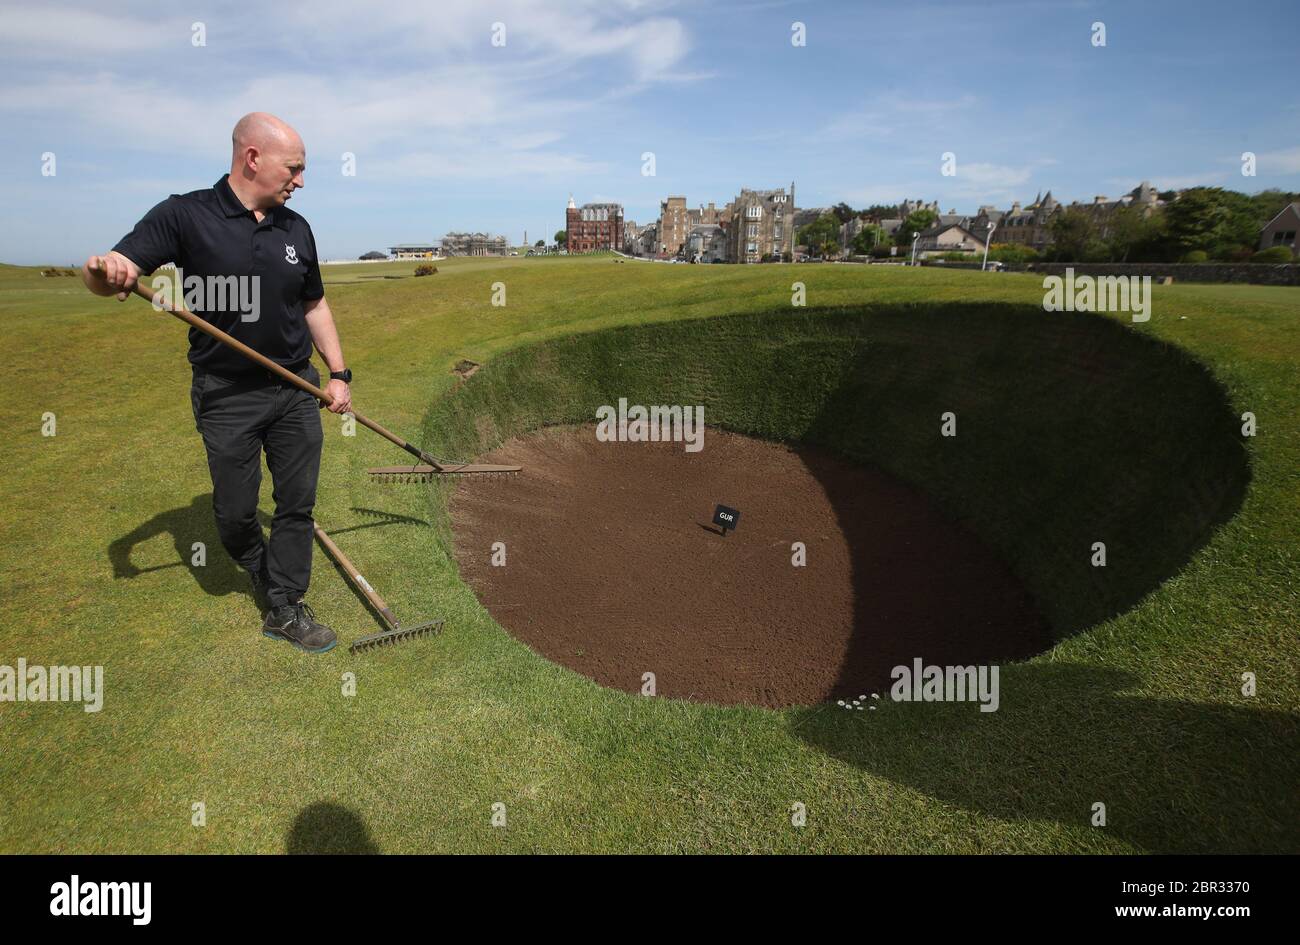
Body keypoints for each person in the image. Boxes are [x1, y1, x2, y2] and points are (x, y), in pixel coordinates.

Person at [82, 112, 350, 653]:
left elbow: (314, 304)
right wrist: (104, 271)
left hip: (297, 388)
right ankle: (259, 566)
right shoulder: (185, 215)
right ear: (253, 158)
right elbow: (111, 272)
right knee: (235, 513)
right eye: (293, 168)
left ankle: (285, 604)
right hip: (227, 394)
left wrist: (339, 374)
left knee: (297, 503)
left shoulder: (297, 228)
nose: (300, 181)